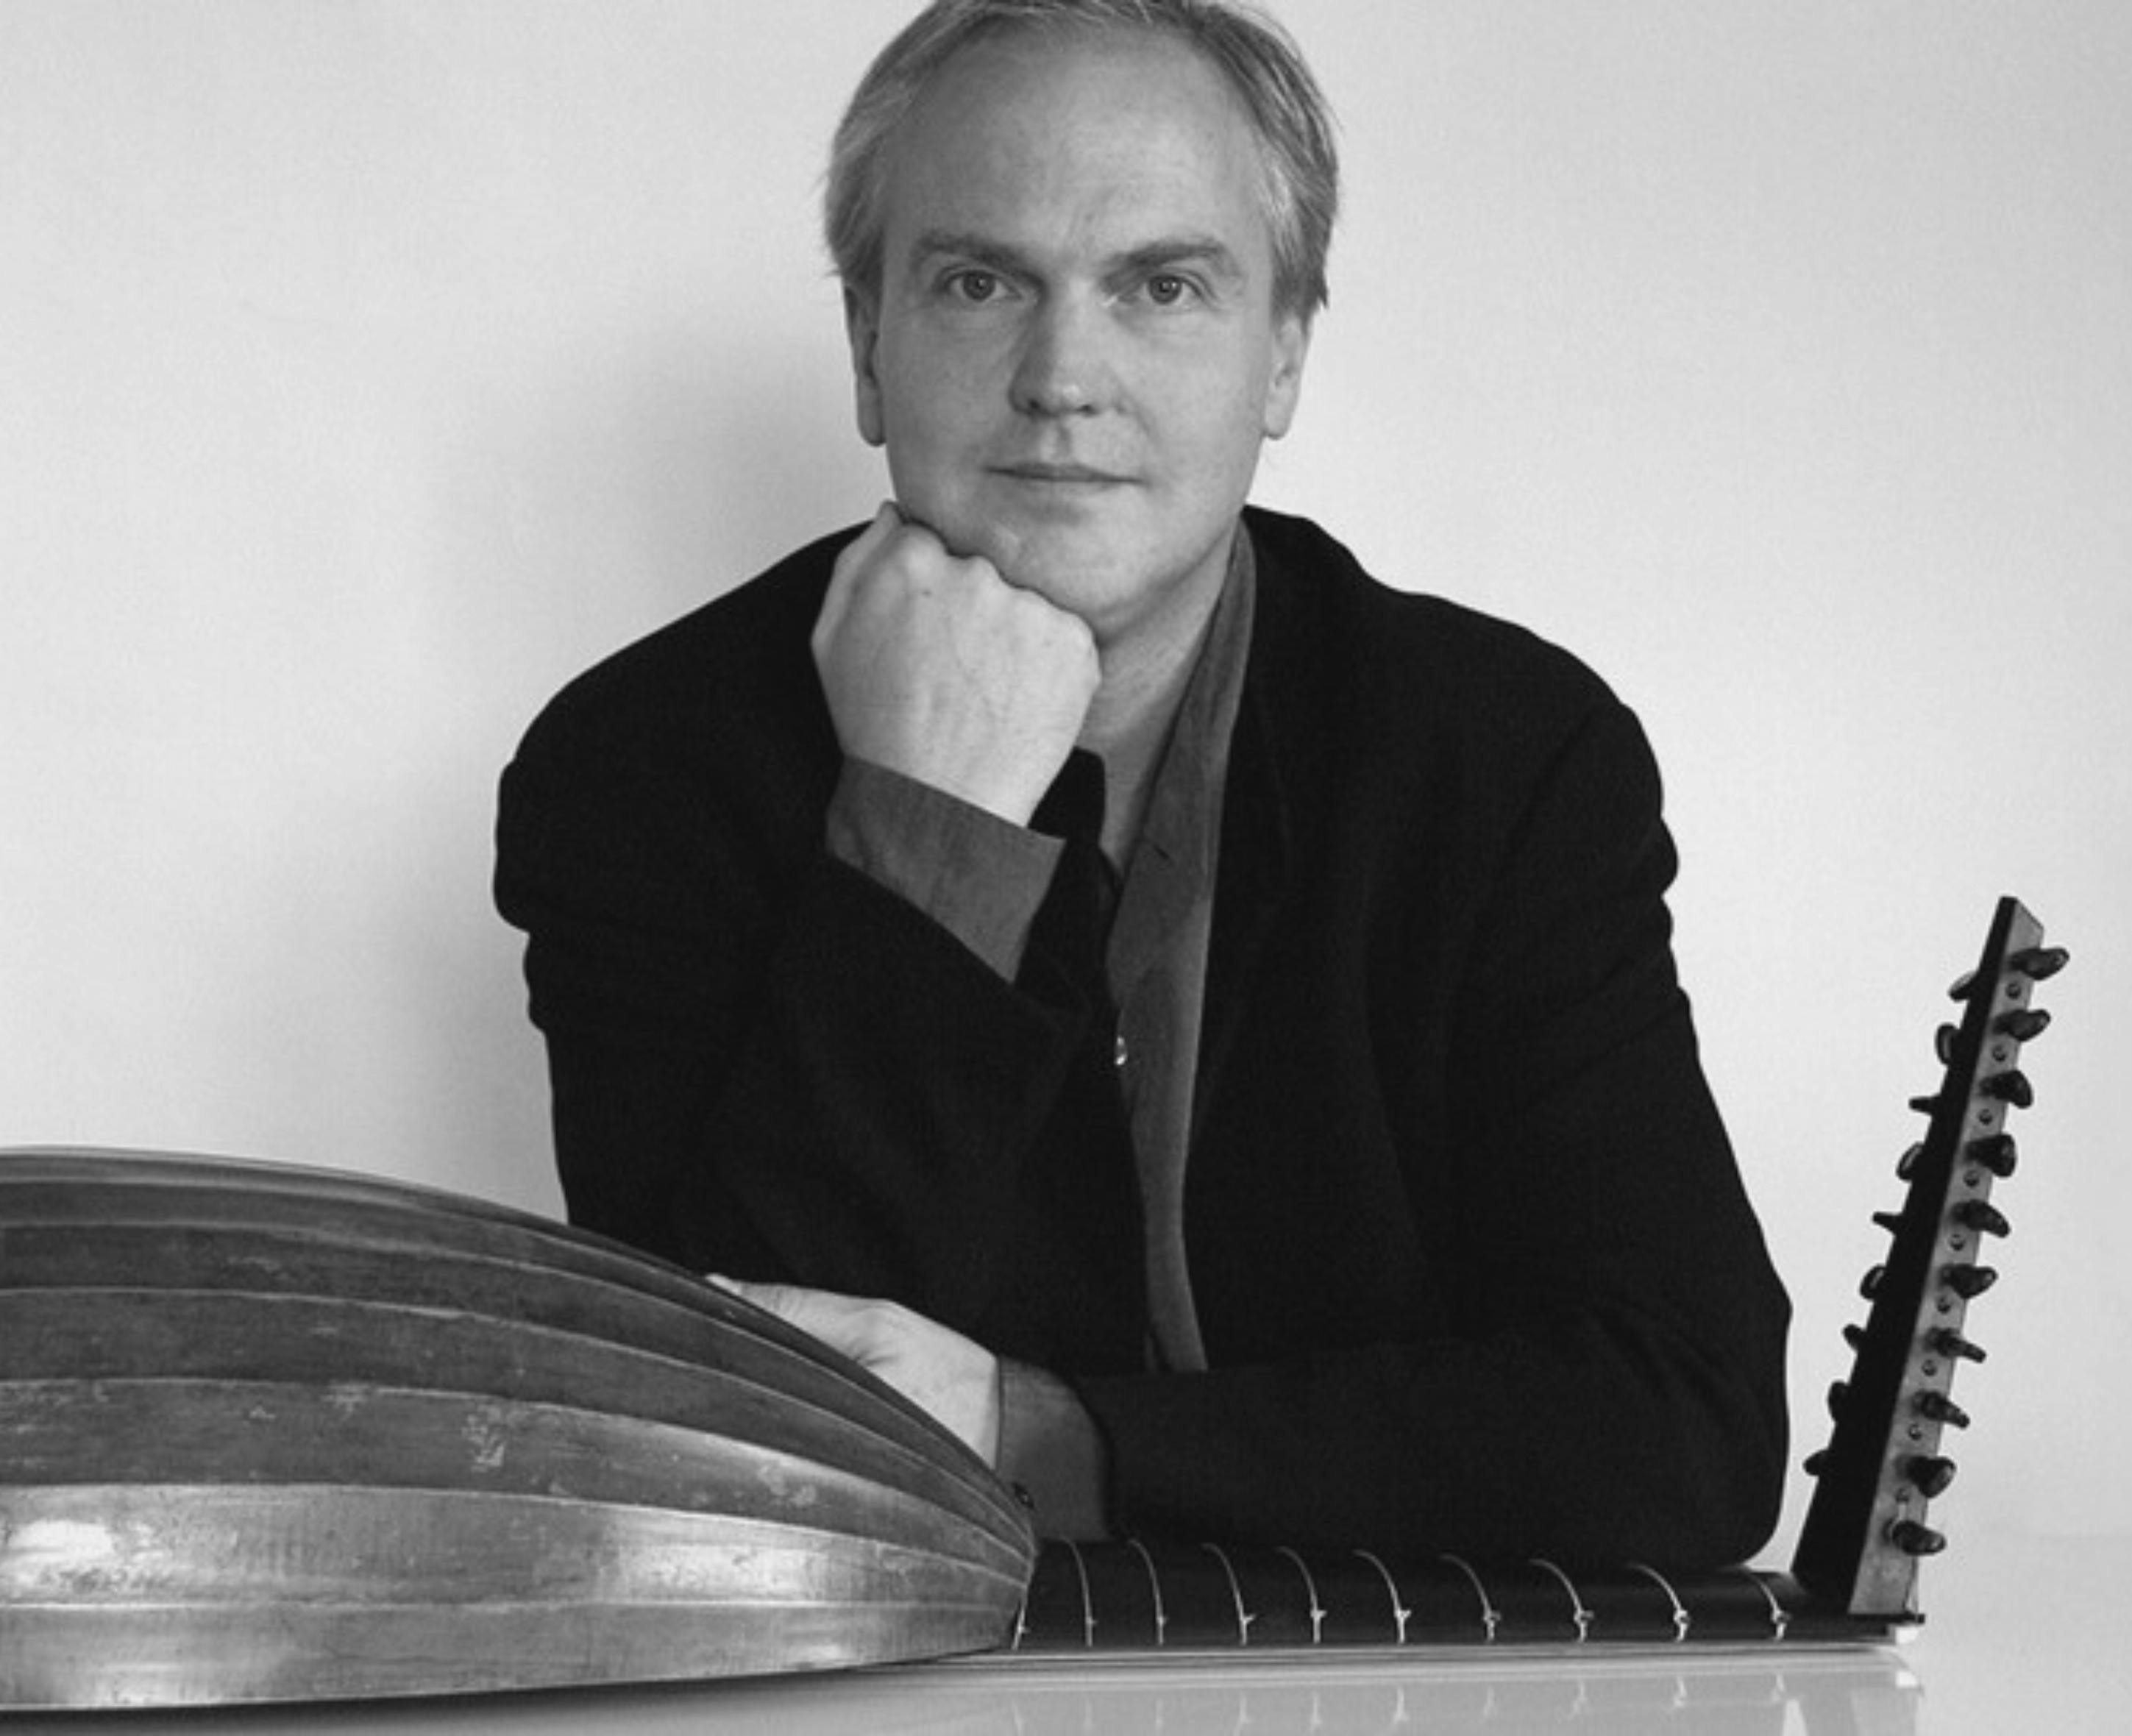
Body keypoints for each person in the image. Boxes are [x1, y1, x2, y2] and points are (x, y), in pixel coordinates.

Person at [494, 0, 1790, 1568]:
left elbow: (1684, 1428)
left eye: (1163, 286)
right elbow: (721, 1456)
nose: (1063, 376)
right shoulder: (640, 768)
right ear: (866, 345)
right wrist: (927, 834)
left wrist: (1048, 1437)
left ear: (1284, 357)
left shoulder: (1504, 755)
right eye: (981, 281)